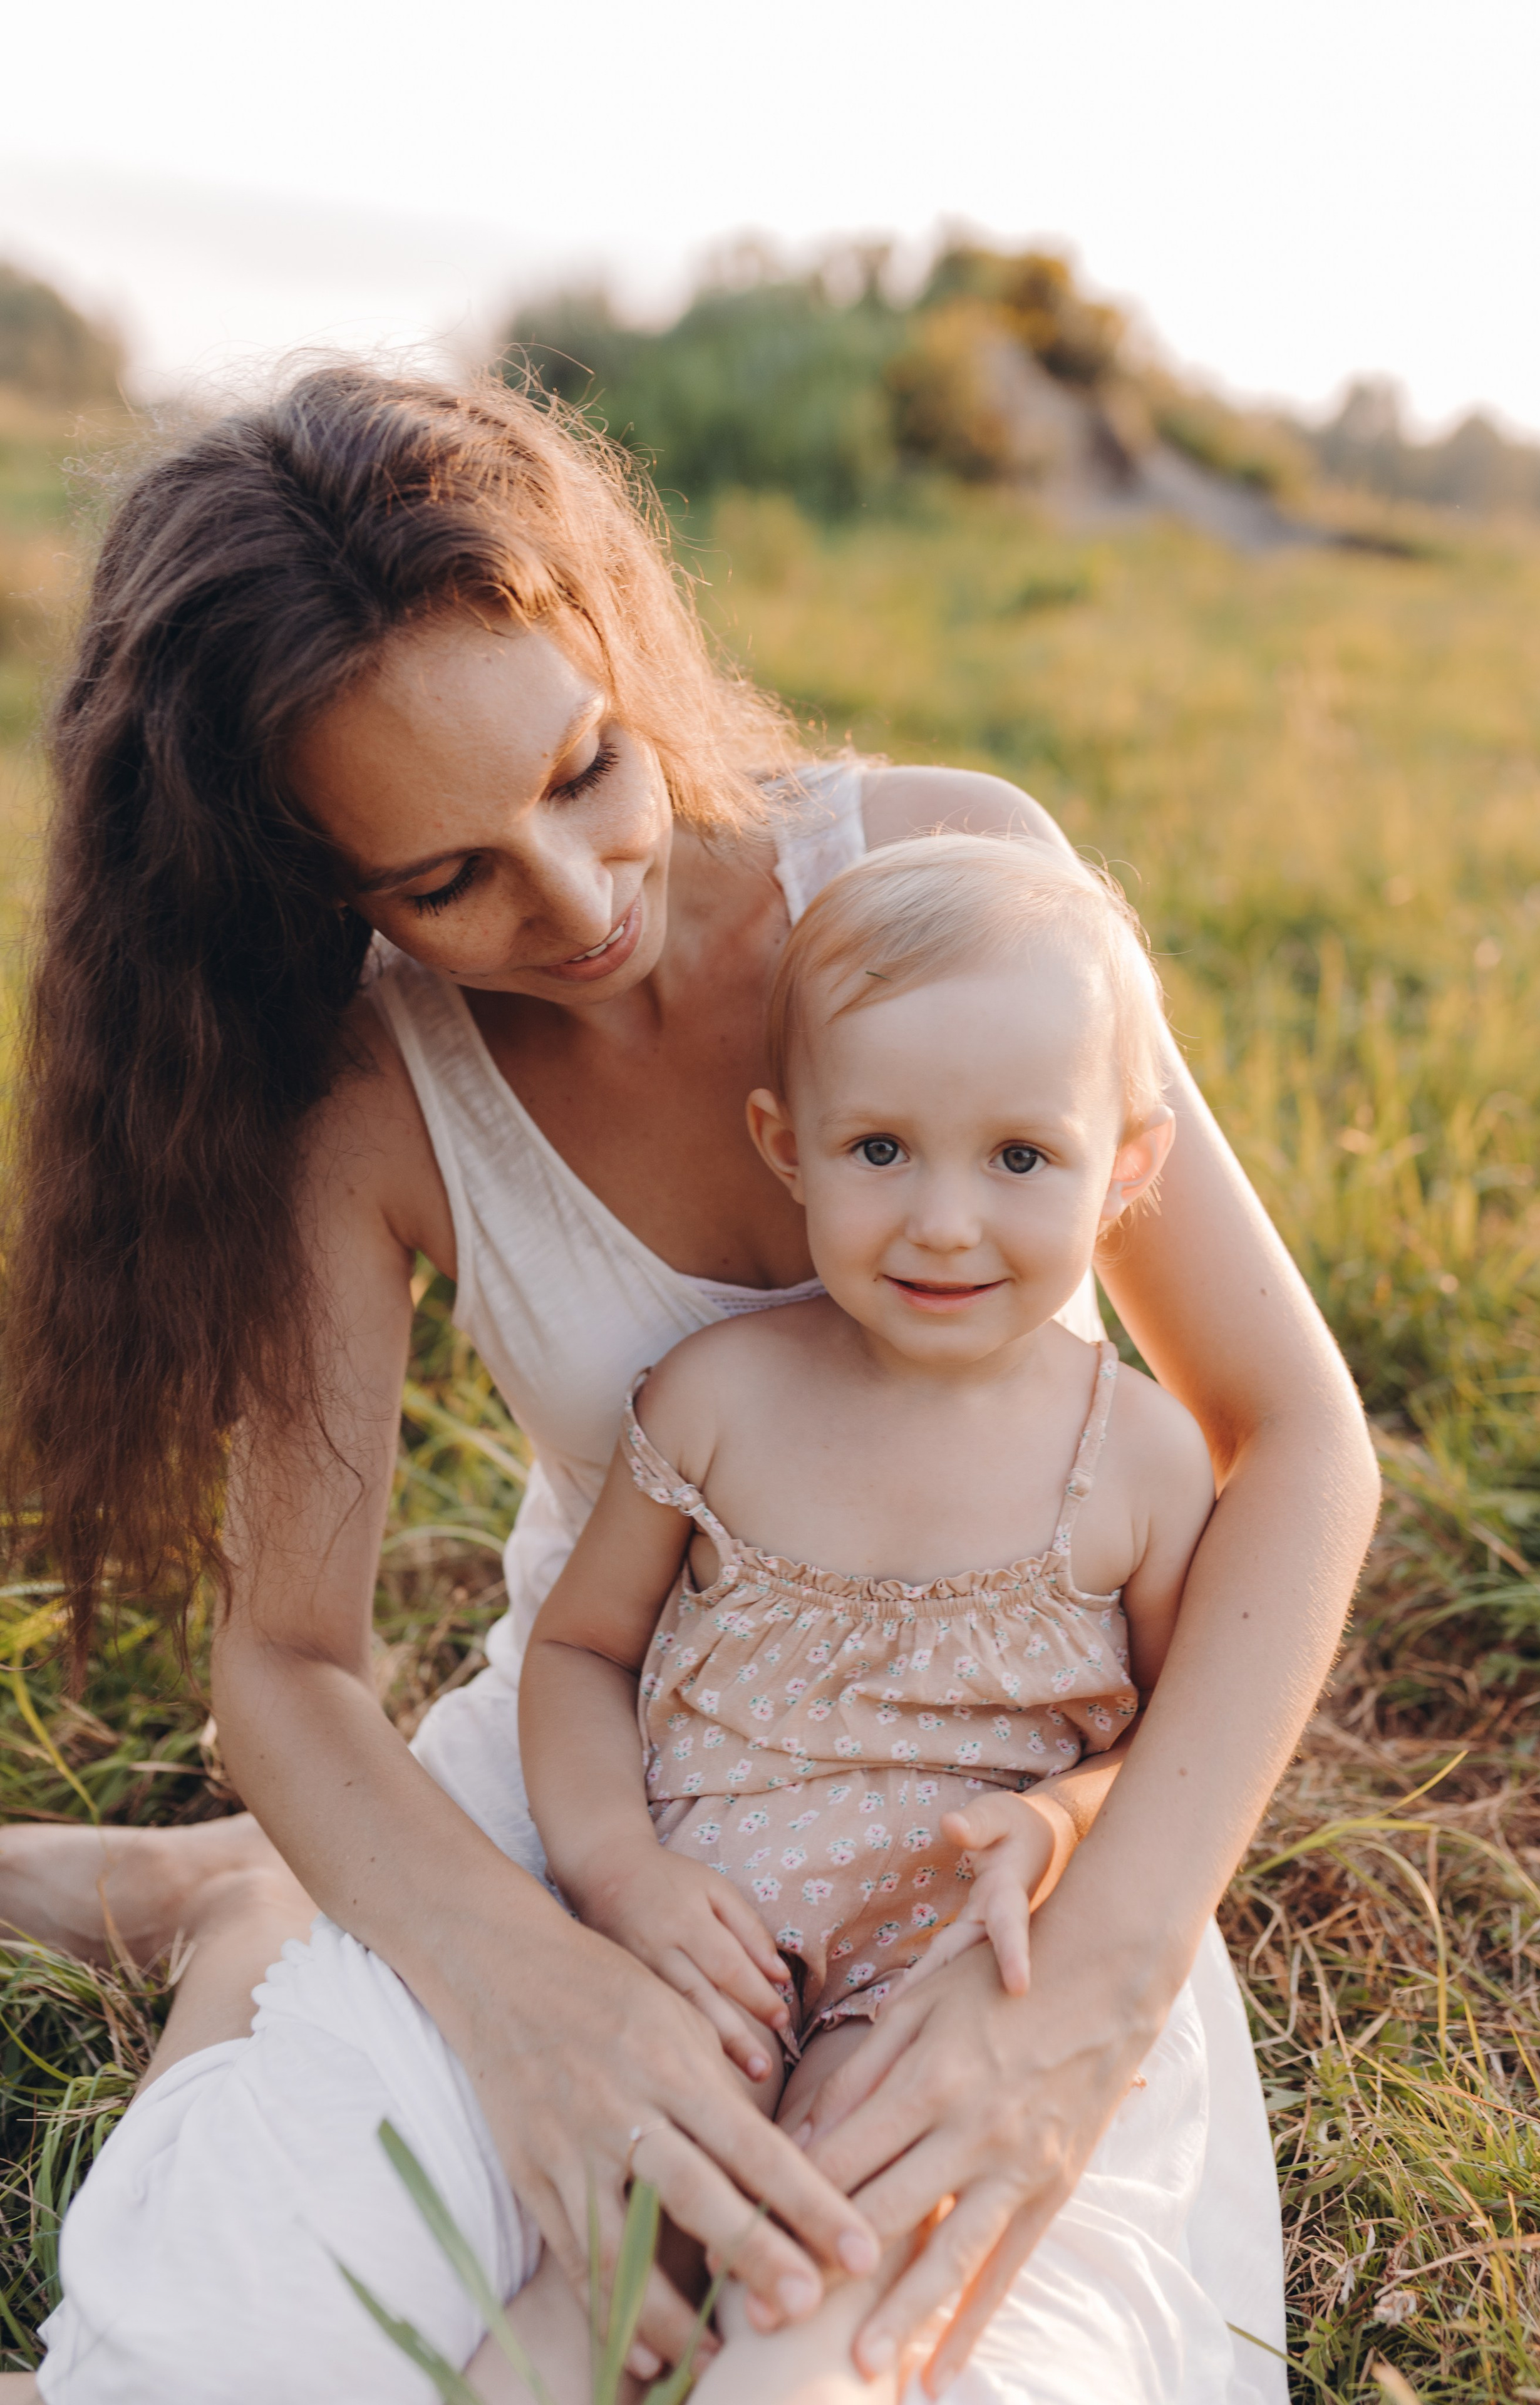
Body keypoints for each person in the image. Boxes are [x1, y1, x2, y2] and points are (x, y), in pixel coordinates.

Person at [0, 365, 1378, 2405]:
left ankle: (244, 1901)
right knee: (213, 2369)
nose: (577, 904)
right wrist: (528, 1994)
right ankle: (270, 1916)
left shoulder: (954, 882)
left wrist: (1101, 1972)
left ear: (622, 641)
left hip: (974, 1872)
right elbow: (282, 1669)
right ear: (318, 884)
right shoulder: (373, 1088)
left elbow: (1298, 1444)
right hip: (591, 1795)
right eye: (444, 879)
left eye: (586, 770)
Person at [522, 834, 1224, 2402]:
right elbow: (579, 1650)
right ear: (786, 1145)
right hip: (702, 1938)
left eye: (1020, 1158)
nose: (945, 1223)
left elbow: (1183, 1739)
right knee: (604, 2283)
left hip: (935, 1970)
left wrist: (1055, 1824)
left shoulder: (1137, 1460)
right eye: (882, 1149)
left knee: (828, 2280)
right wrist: (616, 1865)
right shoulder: (717, 1398)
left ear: (1128, 1167)